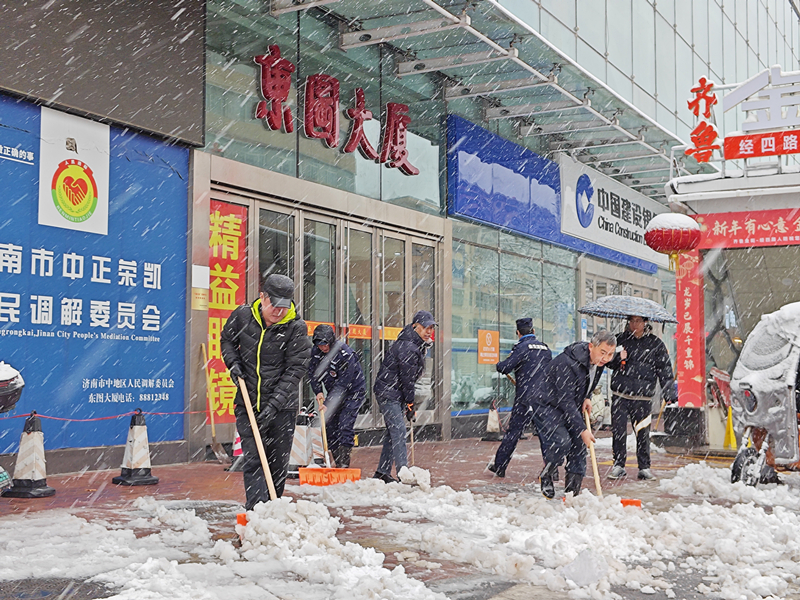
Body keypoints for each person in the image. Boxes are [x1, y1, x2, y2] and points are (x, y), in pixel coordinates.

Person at [221, 273, 312, 510]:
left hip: (282, 407)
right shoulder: (242, 316)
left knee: (276, 463)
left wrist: (273, 405)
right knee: (253, 459)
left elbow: (296, 369)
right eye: (274, 305)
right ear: (263, 296)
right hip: (248, 402)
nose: (279, 312)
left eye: (284, 307)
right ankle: (256, 510)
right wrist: (233, 364)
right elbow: (226, 341)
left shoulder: (296, 328)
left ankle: (272, 507)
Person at [533, 330, 617, 498]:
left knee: (579, 447)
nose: (606, 358)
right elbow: (566, 400)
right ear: (591, 346)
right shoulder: (568, 363)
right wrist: (582, 429)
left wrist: (587, 396)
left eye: (610, 354)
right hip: (548, 405)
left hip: (570, 403)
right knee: (562, 441)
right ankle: (548, 473)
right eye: (603, 353)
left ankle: (572, 494)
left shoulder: (599, 363)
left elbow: (587, 382)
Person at [606, 315, 677, 481]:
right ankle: (618, 465)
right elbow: (607, 361)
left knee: (643, 433)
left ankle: (644, 467)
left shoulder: (655, 344)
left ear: (645, 322)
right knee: (618, 432)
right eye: (631, 321)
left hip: (643, 397)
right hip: (620, 395)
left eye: (638, 321)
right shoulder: (619, 341)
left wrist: (669, 394)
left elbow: (665, 370)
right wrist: (618, 358)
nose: (634, 324)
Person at [372, 310, 435, 483]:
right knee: (399, 431)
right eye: (425, 327)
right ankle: (403, 473)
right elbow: (407, 379)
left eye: (431, 327)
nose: (428, 331)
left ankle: (382, 472)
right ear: (415, 326)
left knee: (392, 431)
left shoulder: (415, 343)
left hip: (393, 392)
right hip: (388, 392)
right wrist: (410, 403)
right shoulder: (408, 346)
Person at [487, 318, 551, 478]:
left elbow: (507, 366)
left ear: (518, 332)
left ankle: (500, 466)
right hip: (544, 397)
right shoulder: (545, 348)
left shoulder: (521, 347)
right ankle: (551, 469)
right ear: (533, 331)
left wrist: (499, 365)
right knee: (544, 433)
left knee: (513, 433)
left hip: (526, 398)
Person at [307, 323, 366, 468]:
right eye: (319, 344)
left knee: (345, 425)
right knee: (329, 426)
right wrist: (318, 391)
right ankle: (335, 462)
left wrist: (328, 403)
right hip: (333, 391)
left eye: (325, 344)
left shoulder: (345, 354)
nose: (322, 348)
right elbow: (313, 373)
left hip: (353, 392)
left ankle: (344, 465)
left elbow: (343, 384)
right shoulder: (316, 352)